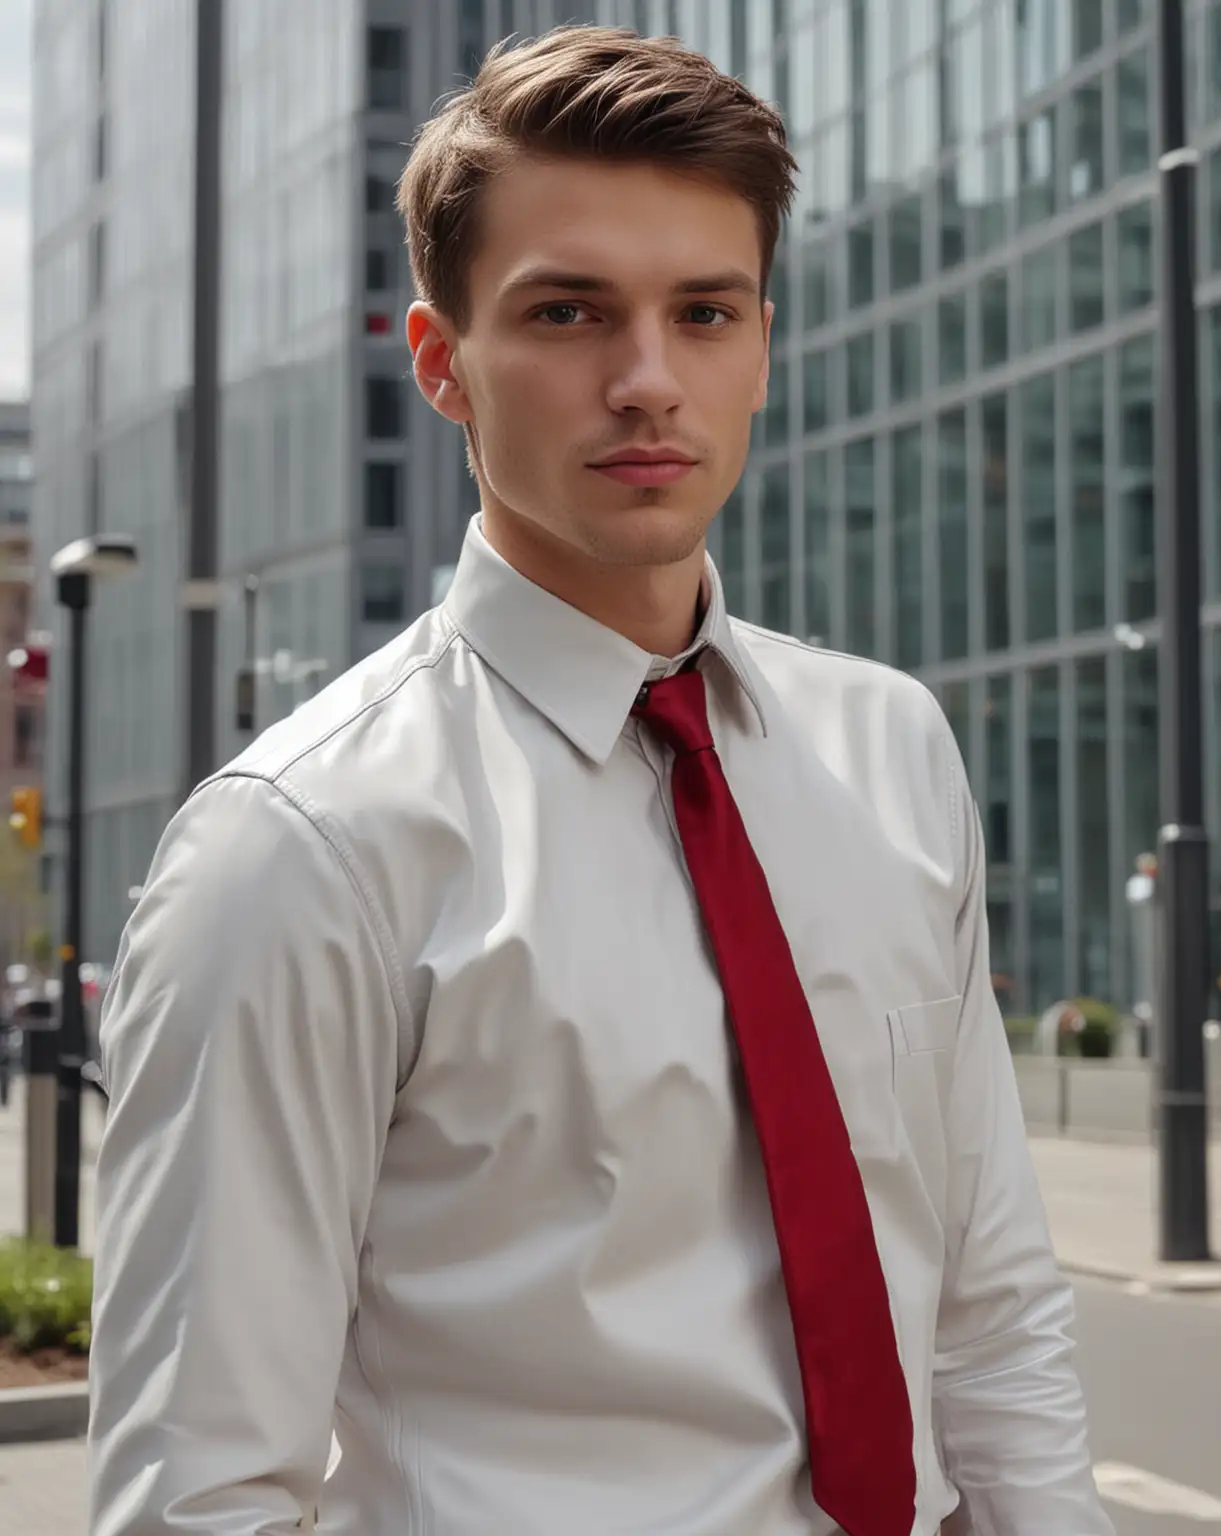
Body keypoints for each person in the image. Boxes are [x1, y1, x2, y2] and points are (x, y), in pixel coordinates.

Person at [87, 28, 1111, 1536]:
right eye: (567, 313)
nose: (647, 382)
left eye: (704, 313)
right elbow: (199, 1488)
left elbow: (989, 1305)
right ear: (444, 365)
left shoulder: (890, 747)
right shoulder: (302, 846)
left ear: (762, 341)